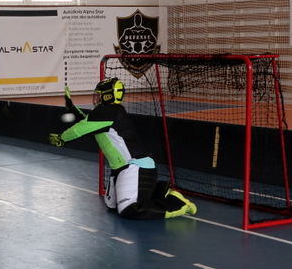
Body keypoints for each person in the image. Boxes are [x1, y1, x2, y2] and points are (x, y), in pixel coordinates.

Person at [49, 78, 197, 220]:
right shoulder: (108, 112)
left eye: (99, 95)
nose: (97, 98)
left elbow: (79, 129)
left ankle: (178, 204)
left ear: (107, 95)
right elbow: (87, 122)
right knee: (112, 205)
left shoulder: (109, 111)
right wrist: (72, 108)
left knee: (129, 209)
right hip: (121, 169)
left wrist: (62, 138)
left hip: (136, 167)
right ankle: (160, 190)